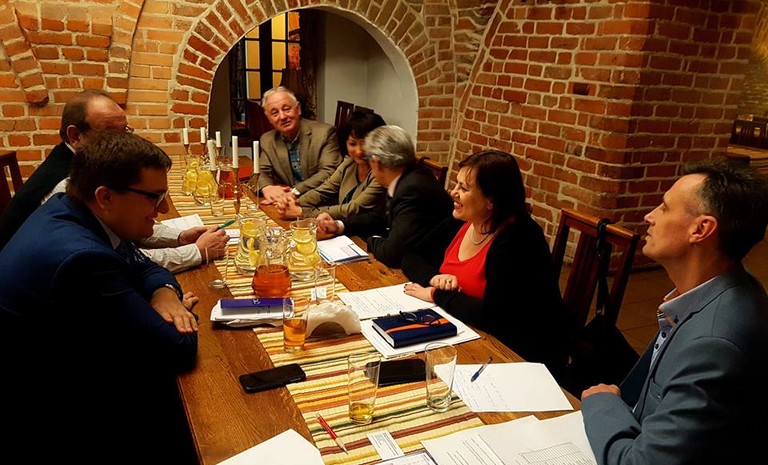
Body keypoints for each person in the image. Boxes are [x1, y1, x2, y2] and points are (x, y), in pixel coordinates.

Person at [0, 132, 200, 462]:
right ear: (105, 196)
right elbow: (176, 347)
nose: (163, 209)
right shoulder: (83, 259)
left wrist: (164, 293)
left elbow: (142, 265)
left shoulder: (71, 208)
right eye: (154, 197)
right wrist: (176, 309)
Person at [580, 159, 768, 465]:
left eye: (665, 208)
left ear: (700, 229)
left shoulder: (715, 344)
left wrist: (601, 403)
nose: (649, 216)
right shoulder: (713, 292)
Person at [0, 89, 228, 271]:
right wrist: (195, 252)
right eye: (110, 133)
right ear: (75, 136)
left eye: (125, 131)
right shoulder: (68, 183)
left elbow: (123, 231)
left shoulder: (85, 164)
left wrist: (178, 237)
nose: (123, 142)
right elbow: (115, 259)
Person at [401, 150, 569, 372]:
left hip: (515, 356)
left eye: (464, 188)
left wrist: (435, 294)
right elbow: (411, 257)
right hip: (467, 331)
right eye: (456, 184)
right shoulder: (464, 220)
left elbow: (493, 315)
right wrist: (434, 278)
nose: (453, 192)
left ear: (491, 201)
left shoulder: (518, 238)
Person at [317, 125, 454, 268]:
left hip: (432, 270)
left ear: (376, 162)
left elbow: (392, 254)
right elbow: (378, 217)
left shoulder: (412, 189)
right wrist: (339, 226)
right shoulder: (408, 176)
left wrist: (370, 240)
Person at [276, 109, 387, 221]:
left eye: (365, 144)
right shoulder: (349, 163)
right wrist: (294, 202)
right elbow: (324, 190)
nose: (359, 151)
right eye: (352, 144)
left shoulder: (381, 172)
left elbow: (353, 208)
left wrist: (302, 213)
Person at [254, 86, 342, 204]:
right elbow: (261, 170)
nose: (282, 117)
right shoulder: (268, 139)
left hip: (322, 202)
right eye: (275, 113)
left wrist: (294, 192)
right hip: (287, 202)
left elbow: (329, 172)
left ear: (298, 109)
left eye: (286, 109)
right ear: (269, 119)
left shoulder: (324, 133)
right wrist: (267, 188)